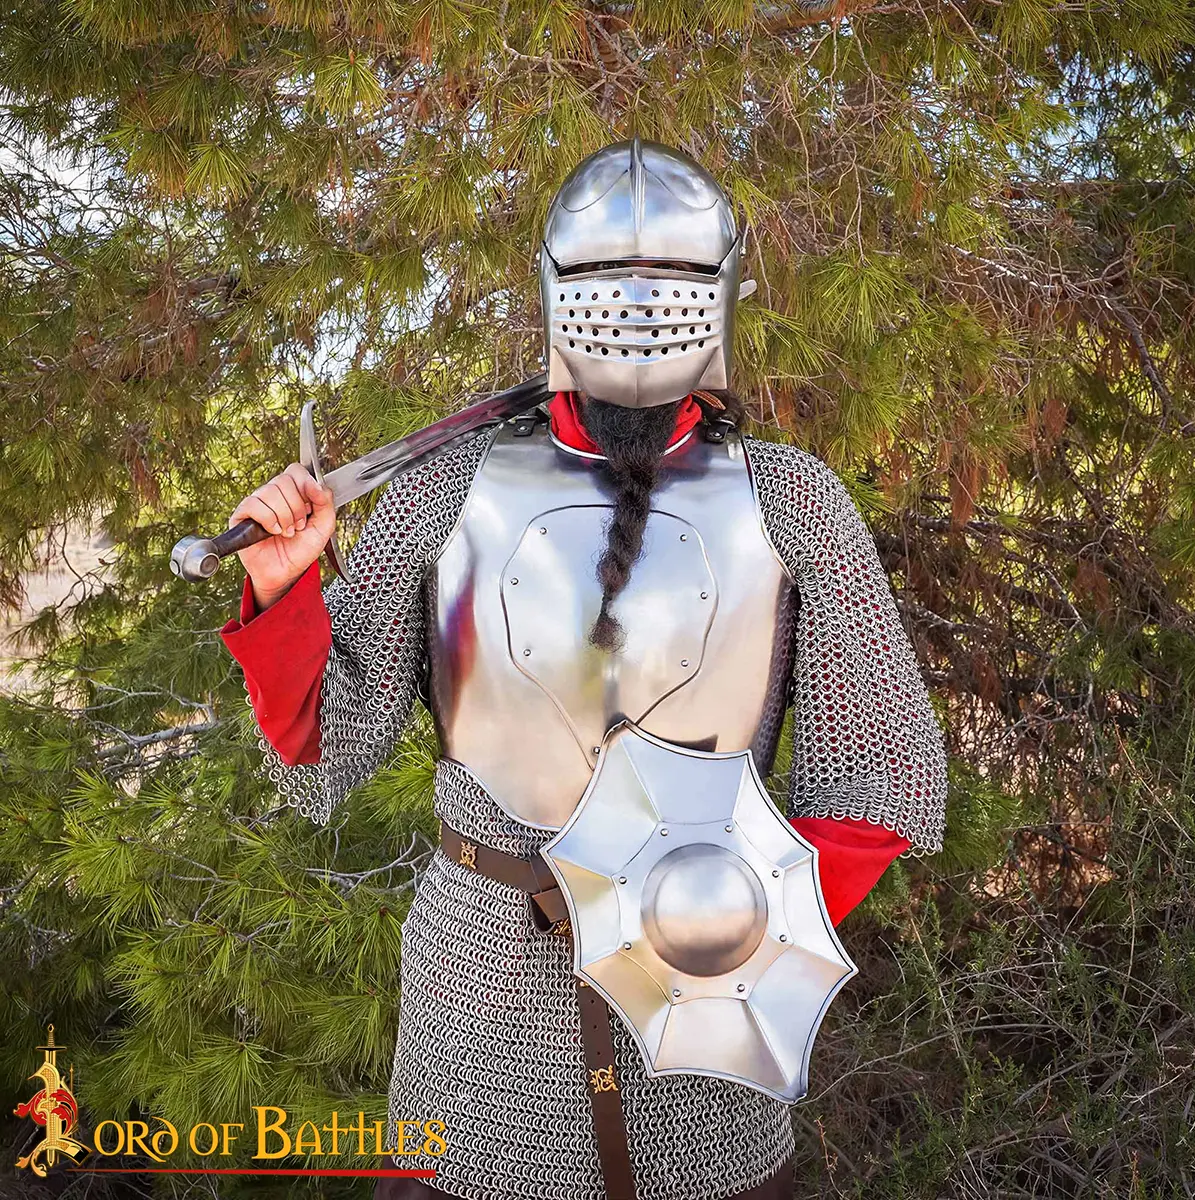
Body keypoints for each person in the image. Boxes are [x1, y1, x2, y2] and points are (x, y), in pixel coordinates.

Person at [221, 139, 947, 1200]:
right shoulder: (444, 491)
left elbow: (881, 780)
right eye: (613, 285)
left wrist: (725, 924)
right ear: (558, 292)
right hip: (482, 1004)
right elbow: (320, 751)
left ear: (721, 297)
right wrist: (285, 592)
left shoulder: (790, 500)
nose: (641, 314)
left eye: (673, 285)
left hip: (705, 1008)